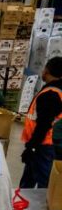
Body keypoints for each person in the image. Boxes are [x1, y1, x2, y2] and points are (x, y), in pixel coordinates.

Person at [20, 56, 62, 188]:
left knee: (45, 183)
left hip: (43, 145)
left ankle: (45, 208)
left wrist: (31, 147)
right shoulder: (57, 90)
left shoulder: (50, 94)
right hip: (45, 143)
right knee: (28, 180)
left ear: (46, 71)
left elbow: (43, 124)